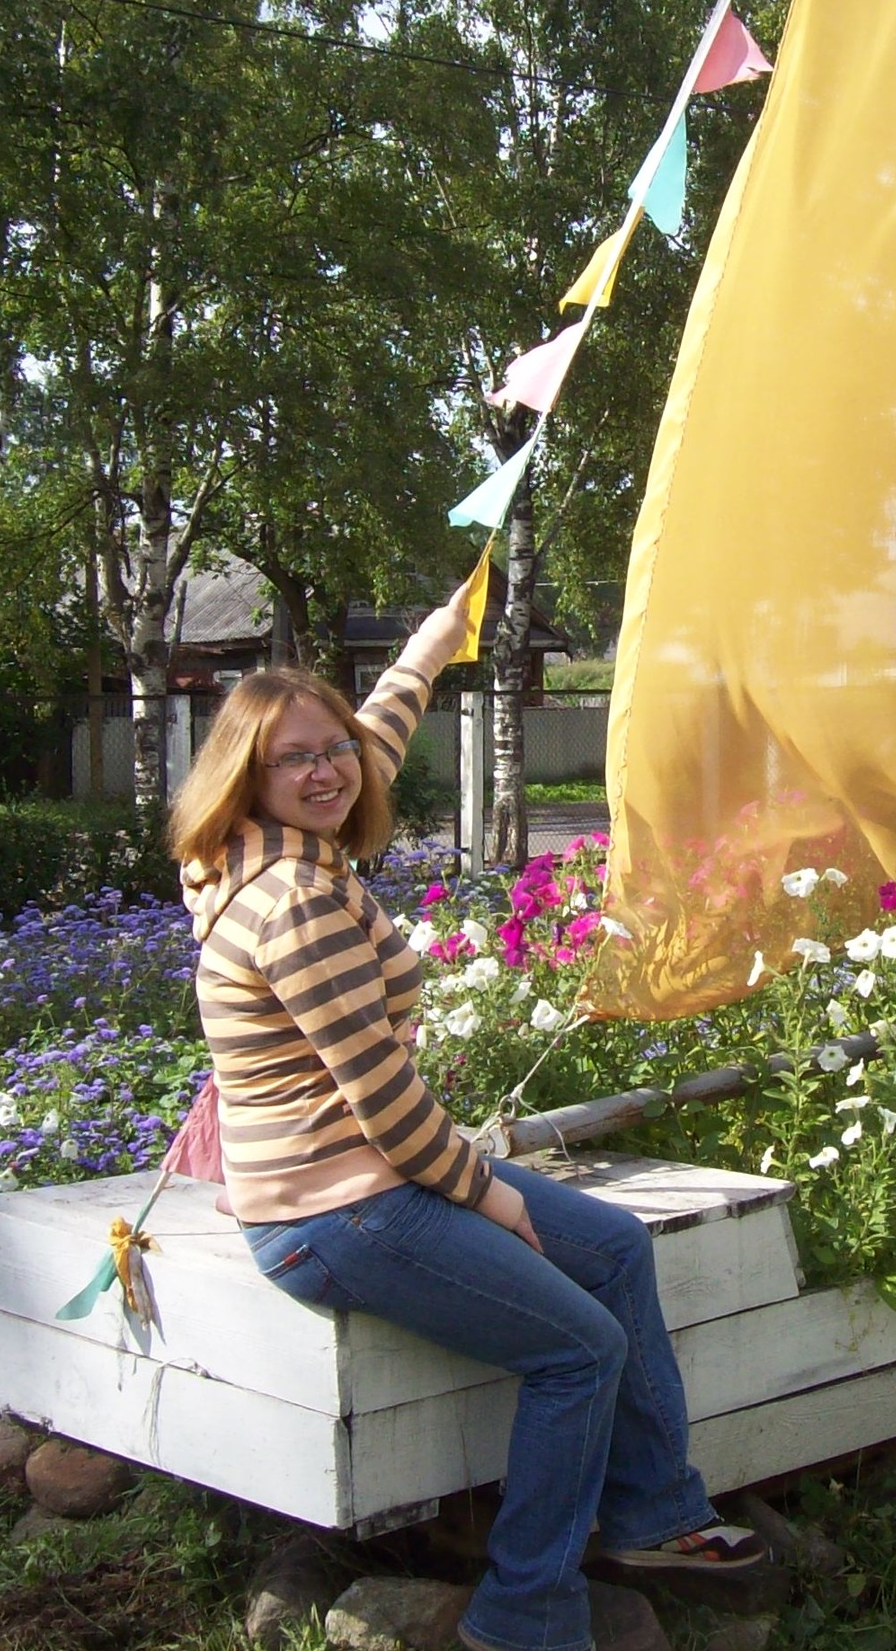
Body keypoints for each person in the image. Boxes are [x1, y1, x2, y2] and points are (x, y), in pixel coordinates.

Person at [169, 577, 764, 1651]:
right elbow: (387, 1105)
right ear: (247, 779)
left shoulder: (255, 851)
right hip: (336, 1210)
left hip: (357, 1180)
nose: (327, 769)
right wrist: (492, 1195)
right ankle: (524, 1613)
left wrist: (434, 645)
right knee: (579, 1351)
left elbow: (373, 744)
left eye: (332, 749)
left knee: (616, 1248)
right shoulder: (297, 904)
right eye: (294, 759)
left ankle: (653, 1517)